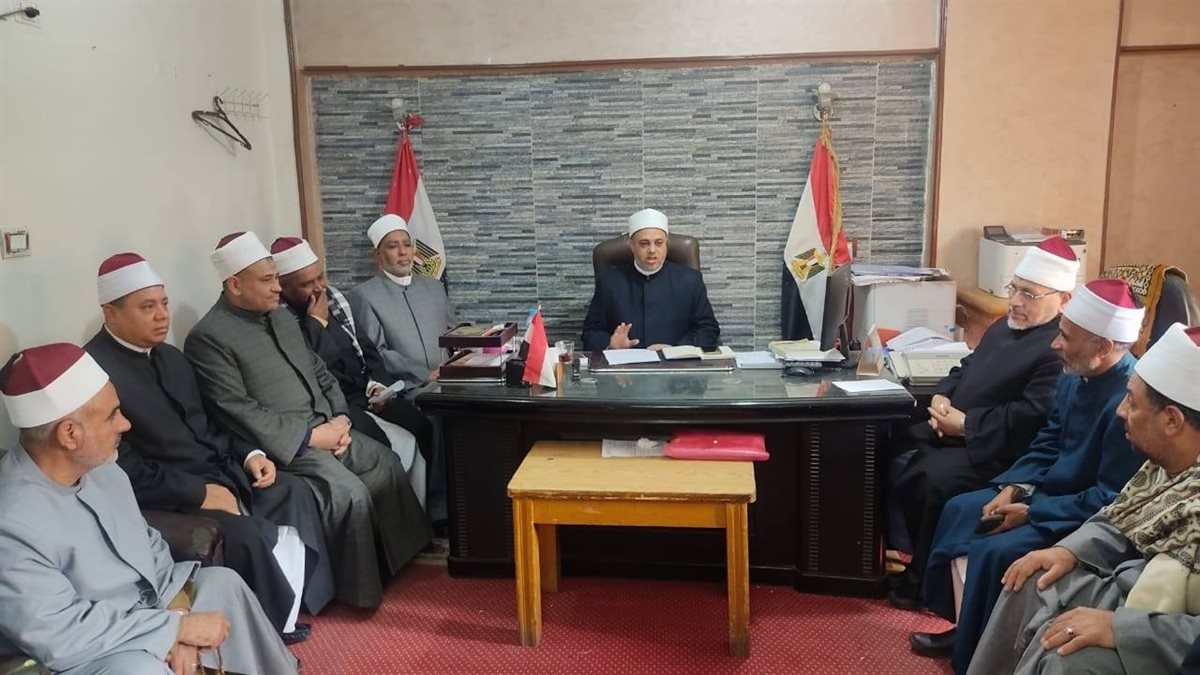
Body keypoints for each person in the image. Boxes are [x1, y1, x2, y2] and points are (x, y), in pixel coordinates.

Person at [0, 343, 299, 675]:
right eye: (112, 415)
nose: (125, 424)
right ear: (70, 434)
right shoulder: (11, 522)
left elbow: (150, 545)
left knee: (223, 585)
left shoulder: (107, 472)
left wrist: (178, 616)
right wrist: (171, 631)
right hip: (91, 650)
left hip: (149, 612)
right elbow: (59, 632)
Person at [85, 252, 335, 642]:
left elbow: (211, 423)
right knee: (246, 535)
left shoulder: (171, 357)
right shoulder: (95, 375)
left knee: (292, 489)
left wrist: (250, 455)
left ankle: (301, 603)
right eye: (147, 307)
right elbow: (124, 469)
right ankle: (266, 632)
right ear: (111, 313)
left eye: (164, 303)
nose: (162, 316)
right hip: (171, 496)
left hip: (221, 469)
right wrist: (200, 492)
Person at [184, 231, 432, 610]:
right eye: (267, 280)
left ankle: (400, 564)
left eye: (276, 278)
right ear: (235, 285)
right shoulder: (208, 337)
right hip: (289, 447)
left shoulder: (281, 318)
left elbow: (321, 372)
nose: (277, 288)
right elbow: (236, 409)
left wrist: (340, 420)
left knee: (385, 463)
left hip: (329, 425)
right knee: (348, 493)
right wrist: (312, 437)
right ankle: (362, 592)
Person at [912, 279, 1148, 673]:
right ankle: (966, 627)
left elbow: (1110, 499)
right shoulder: (1074, 374)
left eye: (1065, 336)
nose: (1054, 344)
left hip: (1076, 516)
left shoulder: (1129, 406)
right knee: (959, 510)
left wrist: (1032, 511)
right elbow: (1050, 438)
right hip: (1044, 492)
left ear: (1103, 347)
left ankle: (977, 654)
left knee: (993, 551)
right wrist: (1013, 487)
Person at [967, 323, 1200, 675]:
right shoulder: (1164, 465)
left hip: (1167, 634)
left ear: (1172, 420)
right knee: (1031, 579)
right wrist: (1069, 551)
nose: (1120, 411)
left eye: (1132, 402)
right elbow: (1121, 517)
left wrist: (1121, 628)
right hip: (1131, 589)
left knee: (1069, 658)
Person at [888, 237, 1078, 608]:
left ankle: (922, 581)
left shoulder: (1056, 347)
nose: (1016, 302)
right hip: (959, 429)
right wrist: (942, 397)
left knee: (930, 481)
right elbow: (965, 366)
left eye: (1029, 294)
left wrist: (966, 425)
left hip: (998, 448)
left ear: (1064, 300)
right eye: (1014, 289)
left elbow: (1031, 415)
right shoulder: (1004, 326)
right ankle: (894, 555)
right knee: (888, 440)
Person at [272, 236, 429, 509]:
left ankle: (427, 514)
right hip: (336, 404)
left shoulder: (335, 299)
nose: (319, 287)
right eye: (307, 284)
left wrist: (378, 386)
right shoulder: (279, 319)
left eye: (320, 277)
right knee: (384, 447)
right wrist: (316, 323)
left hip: (366, 390)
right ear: (283, 286)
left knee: (420, 425)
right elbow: (312, 366)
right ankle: (400, 516)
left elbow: (368, 349)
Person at [581, 208, 720, 351]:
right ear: (631, 245)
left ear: (666, 244)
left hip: (675, 363)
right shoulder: (610, 282)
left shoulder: (690, 280)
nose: (652, 250)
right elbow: (591, 333)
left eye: (659, 243)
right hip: (627, 363)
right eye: (644, 243)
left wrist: (675, 349)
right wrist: (611, 344)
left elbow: (708, 330)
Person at [349, 214, 458, 390]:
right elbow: (377, 351)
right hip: (407, 389)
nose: (403, 252)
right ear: (377, 255)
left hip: (448, 379)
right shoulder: (364, 295)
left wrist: (486, 341)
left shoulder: (434, 287)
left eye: (407, 245)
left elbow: (455, 332)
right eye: (393, 246)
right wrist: (424, 375)